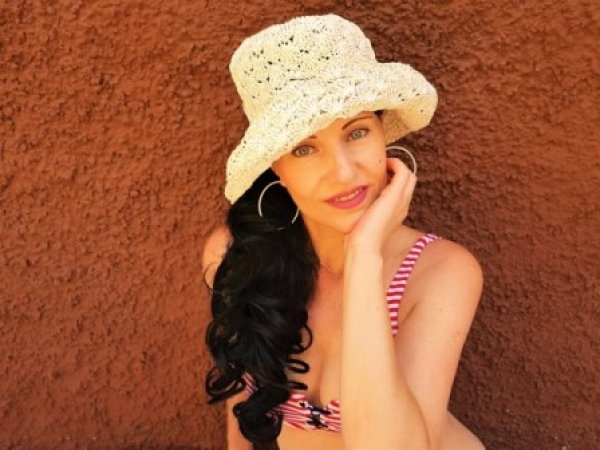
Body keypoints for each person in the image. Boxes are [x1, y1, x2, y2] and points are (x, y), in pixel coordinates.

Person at [202, 13, 486, 450]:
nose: (344, 173)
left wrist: (365, 256)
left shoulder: (441, 272)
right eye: (304, 148)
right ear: (275, 166)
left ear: (382, 135)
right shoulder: (236, 257)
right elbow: (242, 412)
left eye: (356, 132)